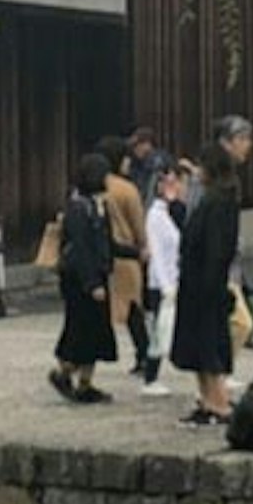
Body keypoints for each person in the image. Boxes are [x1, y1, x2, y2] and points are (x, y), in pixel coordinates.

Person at [166, 119, 251, 423]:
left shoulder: (218, 201)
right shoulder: (215, 197)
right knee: (201, 344)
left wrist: (213, 283)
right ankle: (209, 400)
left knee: (208, 342)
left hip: (205, 282)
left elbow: (216, 247)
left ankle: (217, 403)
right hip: (199, 280)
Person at [47, 151, 119, 404]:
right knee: (80, 329)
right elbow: (80, 249)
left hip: (98, 274)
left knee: (98, 331)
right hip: (79, 280)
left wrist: (131, 253)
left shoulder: (100, 205)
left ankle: (86, 383)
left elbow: (107, 243)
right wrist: (92, 283)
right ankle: (64, 371)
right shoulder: (78, 207)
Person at [99, 140, 149, 381]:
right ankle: (144, 353)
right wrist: (143, 247)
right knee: (132, 308)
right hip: (126, 254)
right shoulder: (126, 189)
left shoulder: (95, 187)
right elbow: (138, 223)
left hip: (102, 257)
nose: (129, 163)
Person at [140, 157, 188, 390]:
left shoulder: (170, 213)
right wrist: (167, 284)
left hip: (172, 277)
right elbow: (156, 253)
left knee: (164, 328)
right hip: (161, 282)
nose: (175, 187)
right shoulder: (155, 216)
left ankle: (153, 374)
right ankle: (150, 377)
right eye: (168, 182)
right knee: (159, 330)